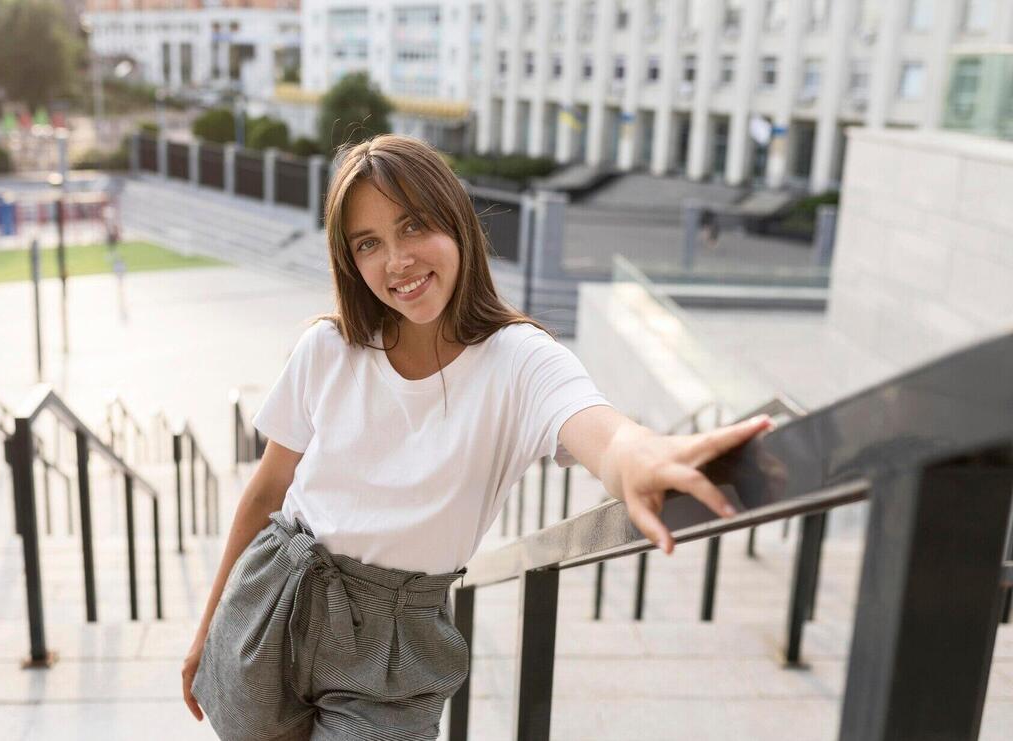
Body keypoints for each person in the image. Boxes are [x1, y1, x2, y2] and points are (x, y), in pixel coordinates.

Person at [180, 134, 773, 740]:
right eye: (369, 243)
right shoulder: (327, 350)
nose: (397, 260)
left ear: (457, 222)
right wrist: (206, 628)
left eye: (414, 227)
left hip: (398, 642)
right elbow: (265, 493)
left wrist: (645, 458)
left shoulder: (520, 360)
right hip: (273, 598)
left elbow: (602, 430)